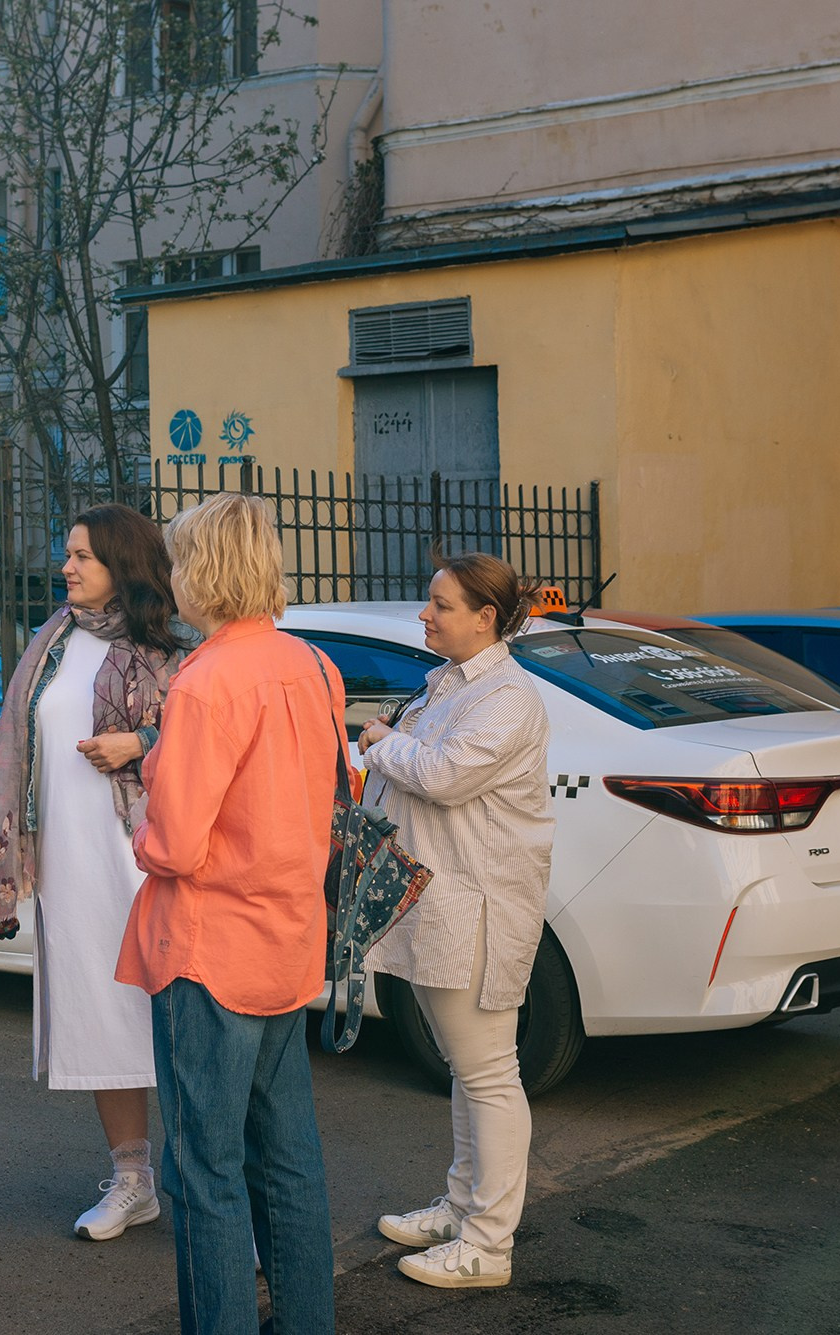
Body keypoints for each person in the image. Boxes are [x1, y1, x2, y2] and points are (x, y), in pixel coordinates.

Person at [115, 493, 339, 1335]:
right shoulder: (313, 665)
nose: (169, 577)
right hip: (286, 938)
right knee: (288, 1162)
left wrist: (140, 817)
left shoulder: (204, 680)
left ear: (202, 569)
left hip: (209, 946)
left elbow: (172, 842)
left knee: (203, 1172)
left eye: (177, 560)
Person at [0, 501, 193, 1241]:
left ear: (122, 567)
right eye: (67, 554)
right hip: (71, 862)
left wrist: (139, 740)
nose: (67, 568)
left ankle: (216, 1190)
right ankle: (134, 1179)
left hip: (144, 861)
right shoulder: (52, 641)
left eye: (83, 557)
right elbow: (21, 744)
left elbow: (203, 736)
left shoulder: (167, 649)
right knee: (102, 1016)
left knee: (176, 1021)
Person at [362, 552, 554, 1291]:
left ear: (484, 617)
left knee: (489, 1072)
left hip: (477, 905)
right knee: (466, 1067)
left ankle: (487, 1243)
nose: (424, 615)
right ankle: (463, 1204)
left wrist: (385, 741)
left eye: (440, 604)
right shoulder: (448, 682)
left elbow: (445, 775)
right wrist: (395, 739)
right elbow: (420, 762)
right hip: (438, 900)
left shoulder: (508, 696)